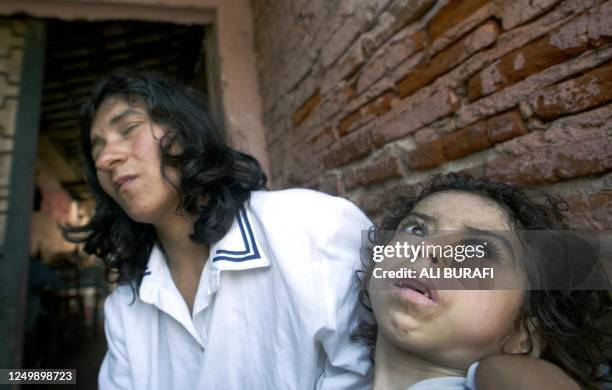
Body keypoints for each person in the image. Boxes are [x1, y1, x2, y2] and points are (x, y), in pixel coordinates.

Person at [63, 72, 372, 389]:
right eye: (96, 148)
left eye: (128, 128)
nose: (104, 158)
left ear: (183, 130)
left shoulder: (316, 228)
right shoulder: (124, 309)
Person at [354, 173, 611, 389]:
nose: (429, 249)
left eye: (478, 250)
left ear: (524, 334)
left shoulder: (503, 377)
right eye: (416, 229)